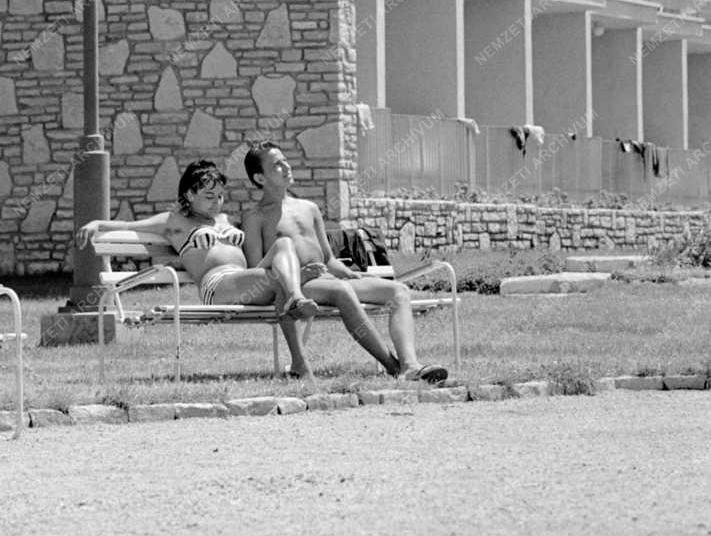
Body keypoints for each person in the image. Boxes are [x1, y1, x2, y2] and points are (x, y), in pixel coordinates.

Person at [76, 159, 319, 378]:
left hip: (246, 277)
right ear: (190, 195)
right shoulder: (174, 221)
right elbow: (128, 225)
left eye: (221, 196)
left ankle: (295, 297)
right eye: (209, 196)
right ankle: (299, 353)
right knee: (279, 283)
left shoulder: (223, 220)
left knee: (284, 244)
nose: (217, 202)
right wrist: (97, 223)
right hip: (218, 286)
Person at [242, 140, 448, 384]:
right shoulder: (255, 217)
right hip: (297, 286)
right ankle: (392, 366)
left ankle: (410, 364)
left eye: (285, 161)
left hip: (327, 279)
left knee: (398, 291)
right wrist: (299, 275)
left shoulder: (309, 208)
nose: (286, 167)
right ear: (260, 178)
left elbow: (328, 259)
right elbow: (256, 270)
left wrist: (350, 273)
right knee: (341, 290)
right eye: (277, 165)